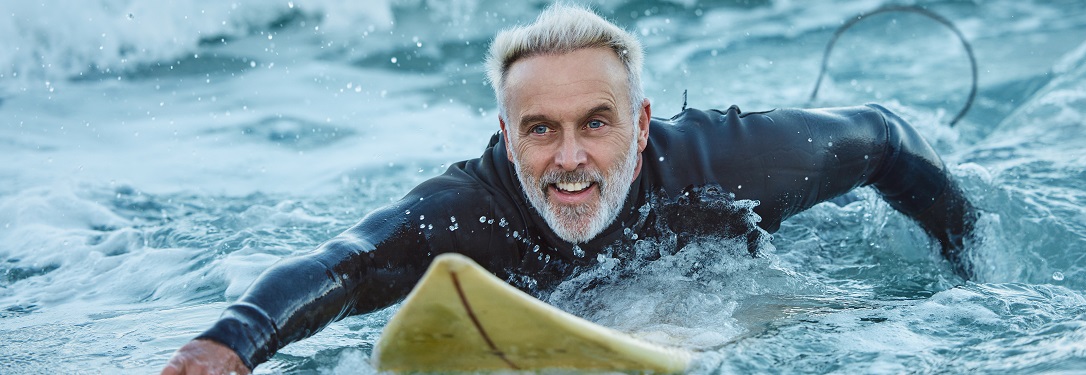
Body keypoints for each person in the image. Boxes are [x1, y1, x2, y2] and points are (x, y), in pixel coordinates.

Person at [161, 4, 977, 374]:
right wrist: (229, 343)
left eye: (595, 122)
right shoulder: (469, 212)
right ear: (505, 132)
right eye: (540, 130)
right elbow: (345, 262)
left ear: (641, 124)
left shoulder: (728, 165)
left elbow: (883, 136)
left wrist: (965, 265)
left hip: (758, 264)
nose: (570, 158)